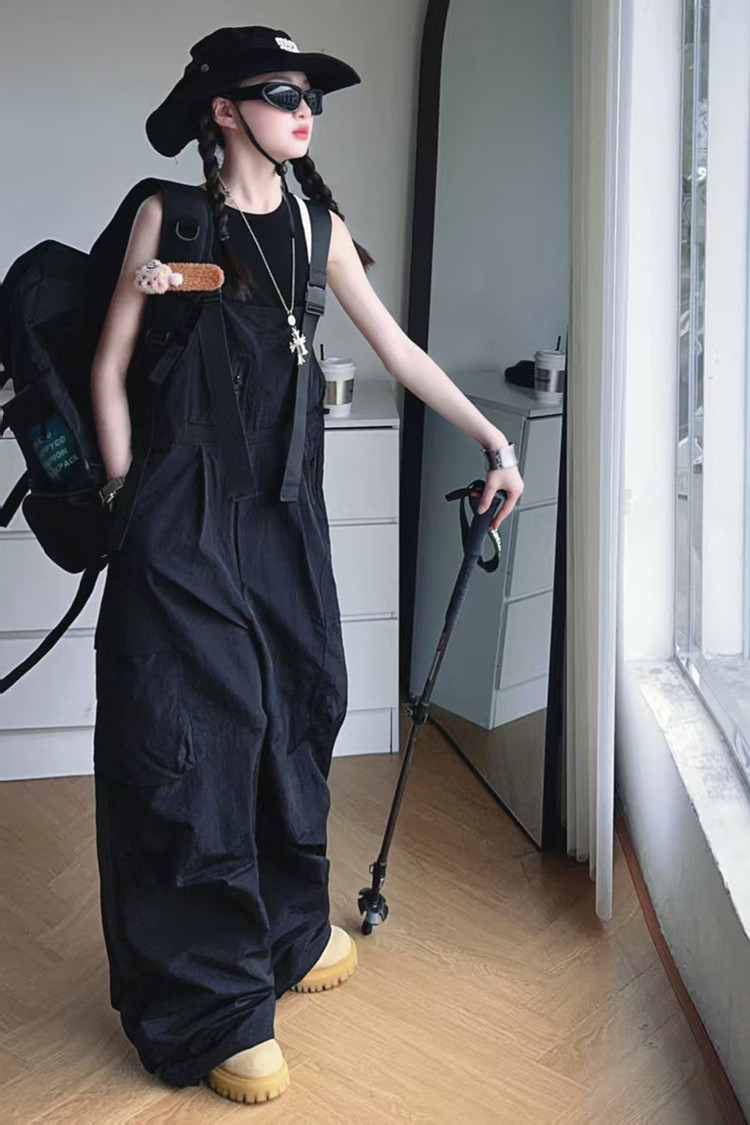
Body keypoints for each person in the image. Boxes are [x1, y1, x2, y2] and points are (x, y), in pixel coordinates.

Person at [89, 24, 524, 1105]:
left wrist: (494, 439)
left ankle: (284, 929)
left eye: (311, 95)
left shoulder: (318, 227)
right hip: (180, 520)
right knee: (199, 741)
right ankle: (214, 1003)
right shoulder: (171, 215)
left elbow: (398, 348)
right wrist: (125, 500)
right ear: (224, 110)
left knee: (299, 709)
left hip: (286, 520)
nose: (304, 111)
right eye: (281, 93)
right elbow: (109, 366)